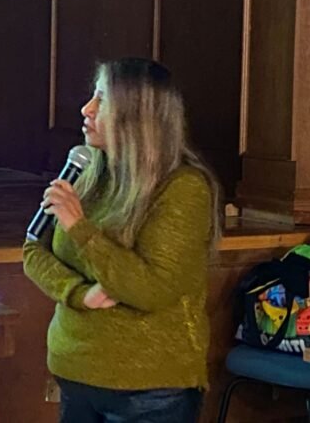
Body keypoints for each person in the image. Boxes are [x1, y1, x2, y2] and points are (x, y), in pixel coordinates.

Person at [23, 57, 221, 423]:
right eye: (92, 96)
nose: (86, 109)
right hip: (75, 373)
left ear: (136, 117)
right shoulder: (87, 170)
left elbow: (152, 289)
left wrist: (80, 227)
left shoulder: (183, 188)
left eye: (102, 100)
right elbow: (33, 249)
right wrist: (78, 293)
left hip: (150, 390)